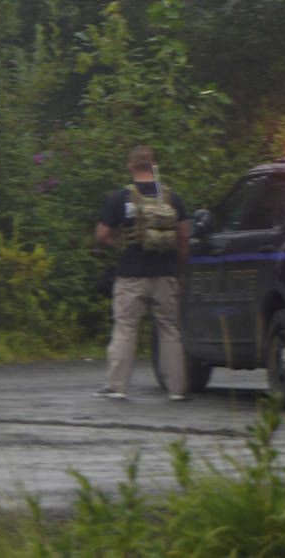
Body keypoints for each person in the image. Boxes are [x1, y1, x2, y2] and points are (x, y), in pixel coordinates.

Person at [94, 144, 190, 401]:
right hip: (166, 273)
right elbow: (184, 237)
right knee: (169, 328)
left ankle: (116, 386)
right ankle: (177, 389)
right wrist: (180, 273)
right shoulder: (172, 198)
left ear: (130, 167)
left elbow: (102, 234)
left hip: (131, 274)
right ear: (153, 165)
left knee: (126, 327)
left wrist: (119, 245)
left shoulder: (120, 198)